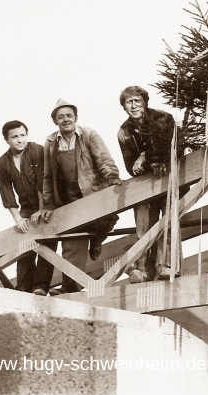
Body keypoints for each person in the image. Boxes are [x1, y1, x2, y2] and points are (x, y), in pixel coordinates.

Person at [41, 99, 121, 295]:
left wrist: (112, 177)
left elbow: (103, 158)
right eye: (61, 117)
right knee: (72, 244)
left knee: (103, 222)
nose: (65, 119)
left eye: (69, 115)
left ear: (76, 117)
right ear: (55, 121)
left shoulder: (88, 134)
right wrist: (49, 204)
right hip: (68, 200)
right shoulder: (50, 143)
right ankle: (70, 289)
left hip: (91, 192)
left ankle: (96, 240)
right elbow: (48, 176)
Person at [117, 86, 187, 282]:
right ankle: (144, 270)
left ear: (145, 102)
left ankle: (167, 266)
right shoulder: (124, 132)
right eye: (129, 102)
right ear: (124, 106)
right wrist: (143, 164)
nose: (134, 106)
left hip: (168, 178)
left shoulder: (163, 118)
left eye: (137, 101)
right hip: (145, 184)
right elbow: (130, 166)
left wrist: (146, 156)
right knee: (144, 226)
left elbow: (176, 147)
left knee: (169, 223)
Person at [0, 120, 56, 295]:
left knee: (47, 243)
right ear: (6, 140)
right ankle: (23, 287)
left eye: (23, 135)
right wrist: (18, 218)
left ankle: (40, 287)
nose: (20, 140)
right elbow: (6, 192)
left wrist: (41, 209)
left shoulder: (36, 150)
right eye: (14, 137)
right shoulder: (2, 163)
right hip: (25, 208)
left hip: (46, 203)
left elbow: (42, 180)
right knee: (25, 246)